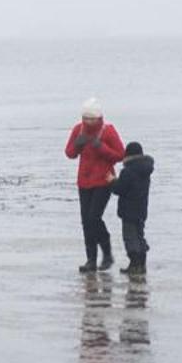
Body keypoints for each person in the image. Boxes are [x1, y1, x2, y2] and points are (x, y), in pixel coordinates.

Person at [65, 98, 126, 272]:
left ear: (99, 118)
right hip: (84, 180)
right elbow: (69, 153)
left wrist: (101, 147)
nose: (88, 122)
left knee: (94, 218)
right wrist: (78, 145)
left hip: (104, 180)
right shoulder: (78, 130)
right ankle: (91, 260)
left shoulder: (108, 131)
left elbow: (120, 155)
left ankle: (107, 254)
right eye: (85, 118)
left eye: (92, 118)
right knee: (86, 221)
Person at [109, 141, 154, 276]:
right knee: (140, 236)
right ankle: (141, 264)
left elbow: (119, 189)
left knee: (130, 238)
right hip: (141, 210)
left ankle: (134, 265)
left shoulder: (128, 171)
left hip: (128, 211)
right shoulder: (146, 170)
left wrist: (112, 180)